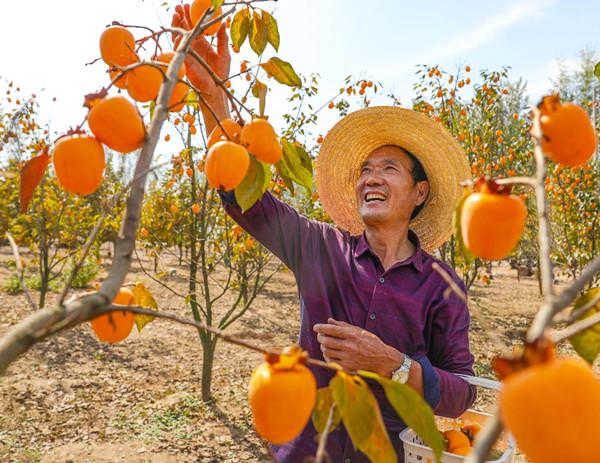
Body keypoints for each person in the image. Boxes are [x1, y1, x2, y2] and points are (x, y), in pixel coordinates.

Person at [172, 6, 477, 462]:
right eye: (365, 171)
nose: (371, 179)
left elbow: (463, 392)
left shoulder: (442, 286)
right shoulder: (320, 247)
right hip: (304, 450)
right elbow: (245, 195)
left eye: (388, 169)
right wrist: (215, 99)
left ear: (419, 192)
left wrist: (392, 364)